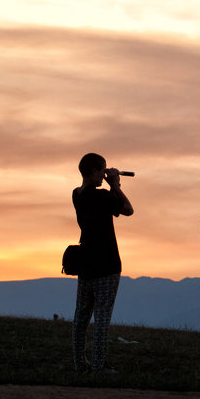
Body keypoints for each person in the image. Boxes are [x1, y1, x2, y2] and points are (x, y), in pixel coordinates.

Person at [72, 152, 134, 375]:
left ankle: (80, 364)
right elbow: (128, 209)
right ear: (94, 171)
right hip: (107, 264)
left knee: (81, 316)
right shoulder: (102, 197)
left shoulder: (76, 195)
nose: (104, 174)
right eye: (102, 169)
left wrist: (108, 185)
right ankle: (99, 365)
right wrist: (115, 185)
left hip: (85, 263)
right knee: (102, 317)